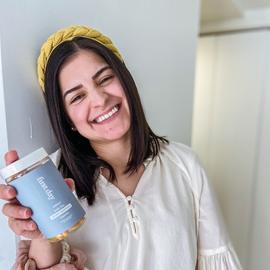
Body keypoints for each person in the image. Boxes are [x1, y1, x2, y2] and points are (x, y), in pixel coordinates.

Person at [0, 25, 242, 270]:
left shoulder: (186, 165)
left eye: (105, 79)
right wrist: (41, 229)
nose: (100, 99)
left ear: (126, 81)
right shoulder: (52, 180)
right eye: (77, 97)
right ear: (67, 120)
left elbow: (216, 262)